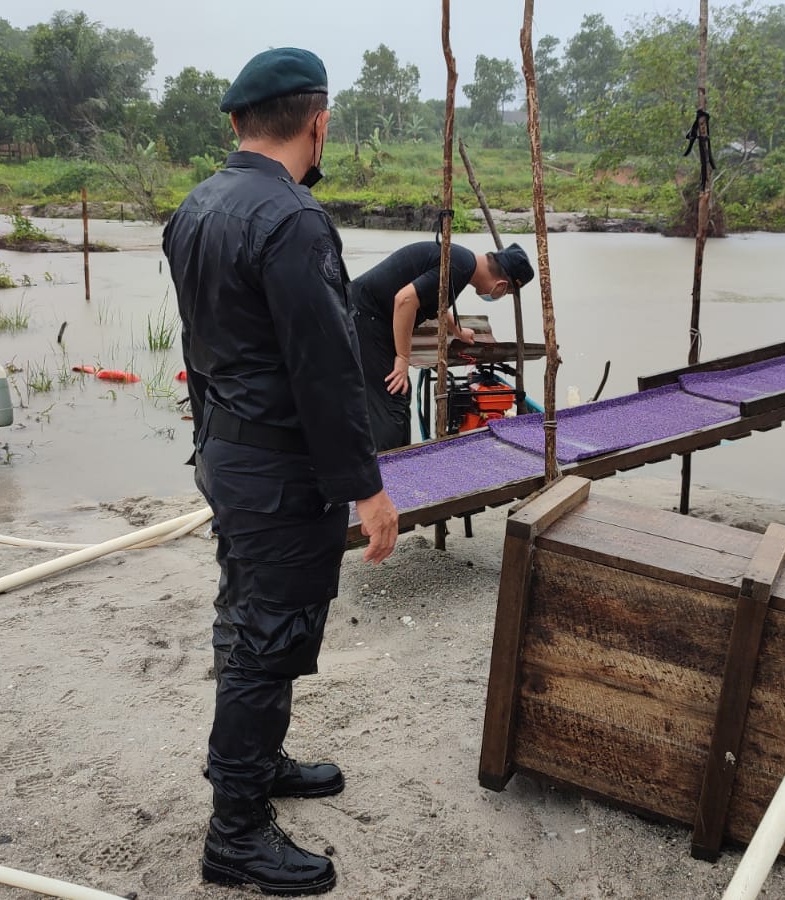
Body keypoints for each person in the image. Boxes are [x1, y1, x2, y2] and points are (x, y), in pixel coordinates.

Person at [162, 47, 398, 896]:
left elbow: (203, 348)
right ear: (317, 121)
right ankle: (235, 835)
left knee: (248, 616)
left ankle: (257, 767)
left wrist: (213, 448)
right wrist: (368, 488)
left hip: (228, 454)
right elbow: (326, 371)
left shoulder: (197, 206)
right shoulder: (293, 220)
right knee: (267, 639)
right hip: (277, 468)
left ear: (235, 123)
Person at [349, 239, 536, 450]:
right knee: (390, 403)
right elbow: (405, 300)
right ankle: (382, 471)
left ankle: (394, 463)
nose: (502, 295)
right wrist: (402, 357)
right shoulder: (459, 267)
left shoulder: (462, 264)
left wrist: (457, 330)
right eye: (507, 292)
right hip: (365, 317)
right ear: (501, 285)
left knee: (398, 398)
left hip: (370, 316)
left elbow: (433, 300)